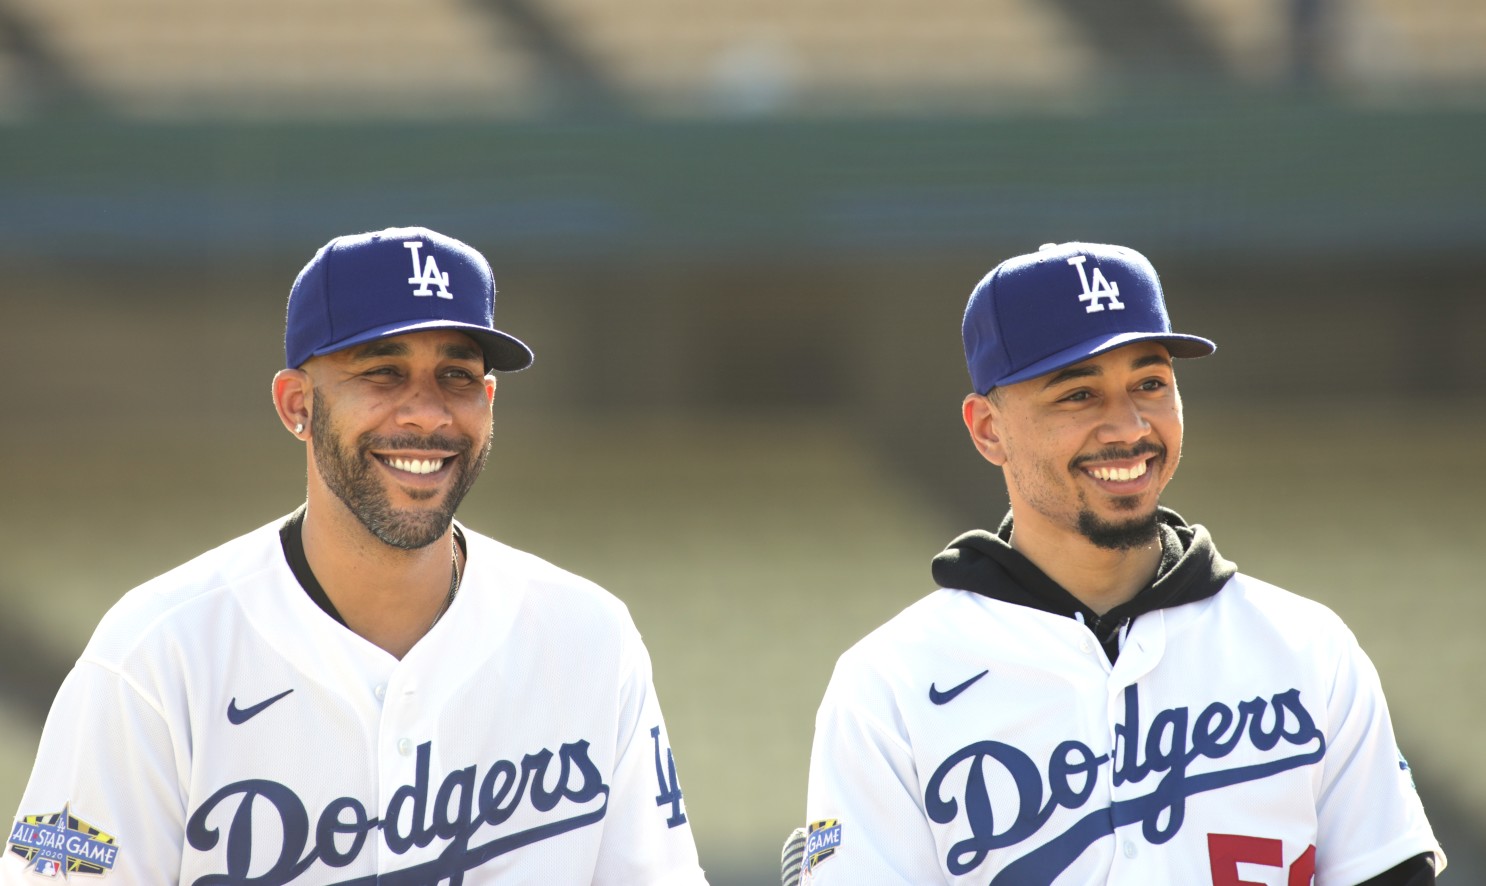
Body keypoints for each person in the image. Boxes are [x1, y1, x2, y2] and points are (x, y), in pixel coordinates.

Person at [6, 226, 709, 884]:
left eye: (457, 376)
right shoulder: (158, 655)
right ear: (296, 405)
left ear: (489, 401)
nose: (427, 413)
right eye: (382, 371)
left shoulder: (589, 639)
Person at [796, 242, 1445, 884]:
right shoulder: (888, 687)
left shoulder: (1307, 648)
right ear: (988, 429)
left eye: (1151, 383)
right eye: (1078, 394)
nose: (1129, 425)